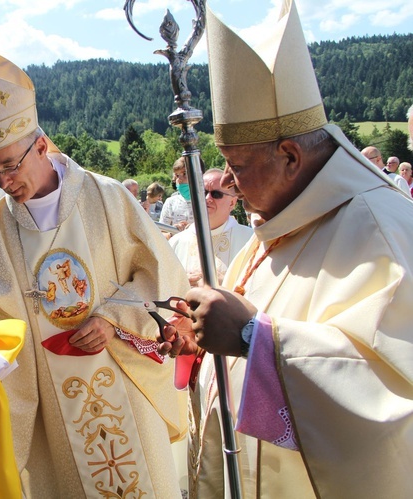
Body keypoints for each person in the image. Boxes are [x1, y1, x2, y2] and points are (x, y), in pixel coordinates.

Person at [161, 3, 413, 497]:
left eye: (236, 164)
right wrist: (205, 338)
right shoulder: (282, 218)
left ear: (291, 156)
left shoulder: (380, 229)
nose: (228, 181)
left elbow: (391, 400)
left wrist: (252, 337)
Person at [0, 47, 190, 498]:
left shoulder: (107, 197)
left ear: (40, 146)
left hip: (123, 380)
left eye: (9, 165)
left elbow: (162, 280)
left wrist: (112, 318)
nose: (3, 181)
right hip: (55, 404)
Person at [169, 168, 253, 288]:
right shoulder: (176, 242)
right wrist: (181, 283)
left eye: (216, 194)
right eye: (203, 193)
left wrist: (225, 282)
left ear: (232, 203)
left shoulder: (250, 241)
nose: (207, 198)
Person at [159, 157, 194, 233]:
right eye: (177, 175)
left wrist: (193, 229)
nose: (180, 179)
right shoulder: (170, 203)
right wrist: (172, 231)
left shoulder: (207, 202)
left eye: (184, 173)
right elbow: (161, 234)